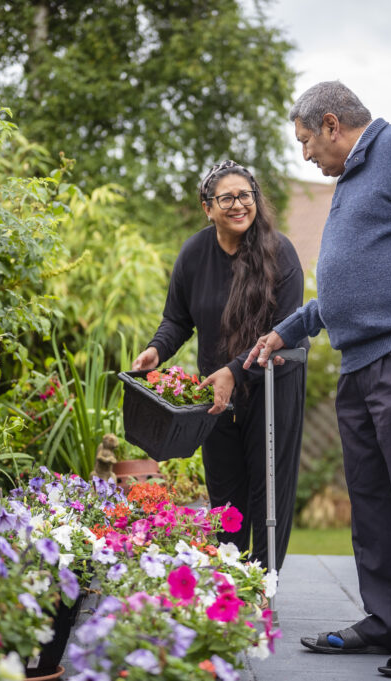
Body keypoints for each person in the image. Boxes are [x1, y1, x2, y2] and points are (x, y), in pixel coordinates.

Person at [245, 81, 391, 678]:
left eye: (305, 141)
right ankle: (389, 621)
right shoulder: (351, 183)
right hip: (359, 365)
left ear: (331, 124)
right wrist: (290, 329)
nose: (305, 156)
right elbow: (349, 288)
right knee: (373, 503)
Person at [132, 160, 308, 570]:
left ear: (256, 200)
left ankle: (263, 585)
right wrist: (157, 350)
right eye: (226, 197)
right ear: (207, 207)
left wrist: (234, 369)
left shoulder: (281, 254)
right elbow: (177, 320)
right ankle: (230, 582)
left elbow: (284, 330)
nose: (238, 204)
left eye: (245, 195)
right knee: (226, 495)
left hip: (272, 386)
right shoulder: (195, 253)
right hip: (217, 394)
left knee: (268, 493)